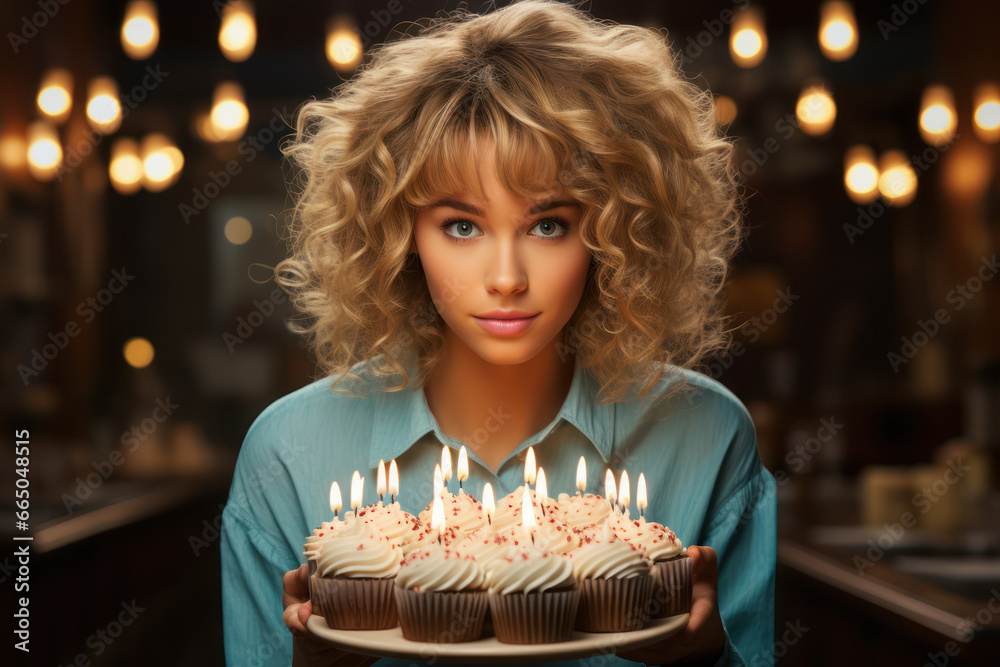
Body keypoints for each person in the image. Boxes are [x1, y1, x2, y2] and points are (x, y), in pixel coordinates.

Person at [220, 1, 776, 666]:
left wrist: (704, 659)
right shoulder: (285, 456)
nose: (507, 277)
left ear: (613, 232)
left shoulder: (707, 436)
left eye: (548, 224)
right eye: (461, 225)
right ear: (399, 236)